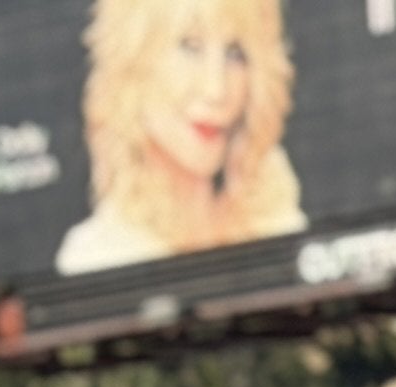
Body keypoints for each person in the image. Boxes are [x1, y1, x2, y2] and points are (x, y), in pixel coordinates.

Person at [54, 0, 303, 275]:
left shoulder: (277, 220)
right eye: (191, 47)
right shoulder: (98, 255)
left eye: (235, 54)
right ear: (133, 58)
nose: (216, 89)